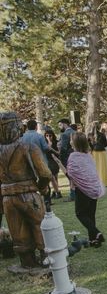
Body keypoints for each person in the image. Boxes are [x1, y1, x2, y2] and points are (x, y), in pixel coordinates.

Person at [0, 112, 51, 269]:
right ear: (17, 127)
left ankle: (27, 262)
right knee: (39, 226)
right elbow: (45, 173)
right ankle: (46, 259)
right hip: (28, 194)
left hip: (7, 198)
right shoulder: (28, 147)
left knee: (17, 231)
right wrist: (42, 187)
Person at [54, 132, 106, 247]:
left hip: (82, 190)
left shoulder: (73, 156)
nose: (70, 141)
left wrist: (59, 164)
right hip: (93, 188)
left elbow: (71, 175)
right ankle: (94, 241)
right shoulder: (89, 155)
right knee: (90, 214)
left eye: (72, 140)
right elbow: (91, 173)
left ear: (75, 143)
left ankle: (97, 233)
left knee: (80, 213)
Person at [58, 118, 76, 200]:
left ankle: (73, 195)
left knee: (70, 177)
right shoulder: (75, 132)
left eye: (60, 125)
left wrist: (60, 159)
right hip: (77, 157)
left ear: (65, 124)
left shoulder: (65, 134)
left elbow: (63, 149)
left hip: (68, 158)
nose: (59, 127)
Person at [44, 129, 62, 199]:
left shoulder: (56, 143)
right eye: (46, 136)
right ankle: (56, 192)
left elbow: (58, 153)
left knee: (55, 177)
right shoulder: (45, 143)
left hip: (54, 161)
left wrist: (51, 148)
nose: (48, 137)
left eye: (50, 135)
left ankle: (56, 192)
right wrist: (48, 143)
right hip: (48, 161)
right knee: (52, 178)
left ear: (53, 136)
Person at [92, 123, 107, 188]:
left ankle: (96, 182)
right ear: (99, 127)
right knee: (103, 167)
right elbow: (105, 144)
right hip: (102, 152)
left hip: (94, 152)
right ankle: (104, 182)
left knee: (95, 167)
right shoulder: (102, 135)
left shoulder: (90, 135)